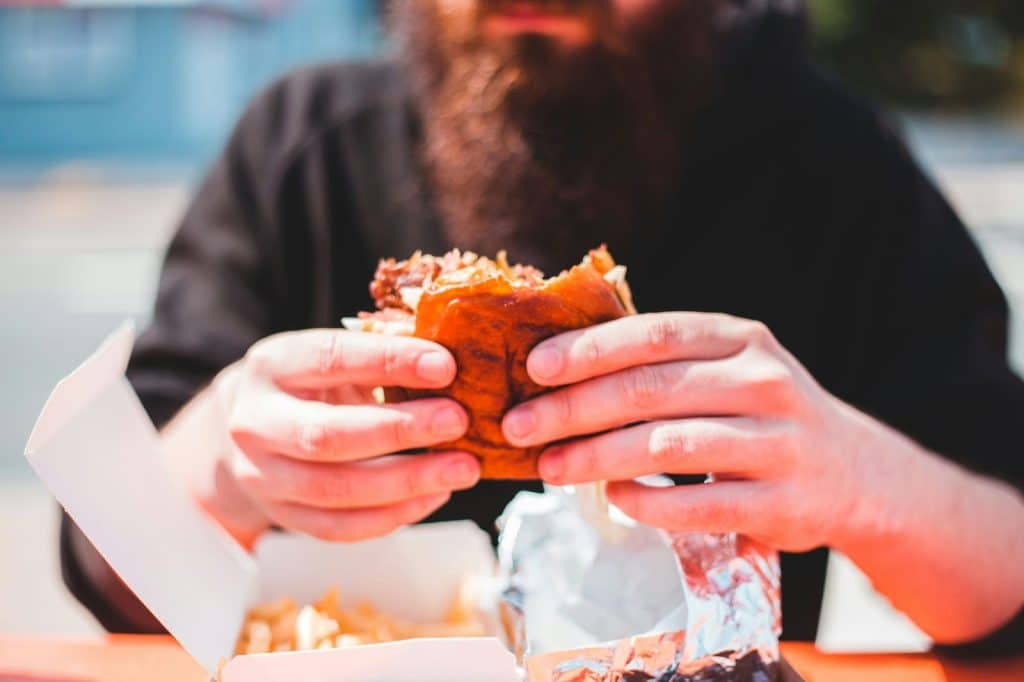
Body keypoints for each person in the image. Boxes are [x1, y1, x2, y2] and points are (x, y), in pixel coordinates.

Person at [62, 0, 1023, 654]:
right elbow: (104, 582)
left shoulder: (831, 164)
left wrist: (863, 484)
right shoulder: (298, 150)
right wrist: (219, 463)